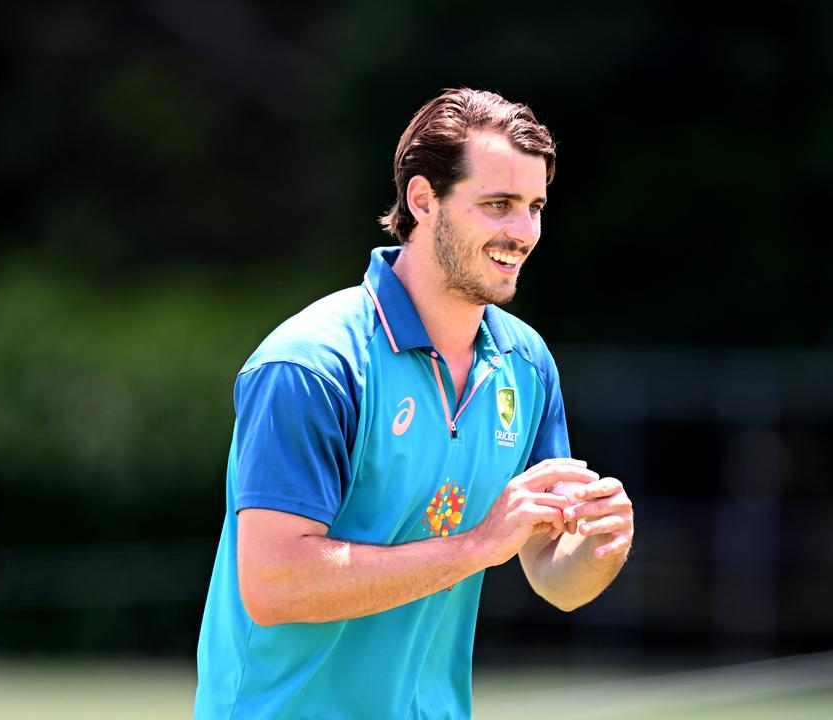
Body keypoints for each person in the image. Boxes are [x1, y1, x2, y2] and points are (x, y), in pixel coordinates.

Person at [194, 87, 634, 719]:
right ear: (423, 200)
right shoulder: (310, 366)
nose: (525, 231)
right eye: (498, 205)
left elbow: (553, 577)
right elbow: (274, 583)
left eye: (535, 206)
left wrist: (598, 549)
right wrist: (478, 545)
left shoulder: (527, 364)